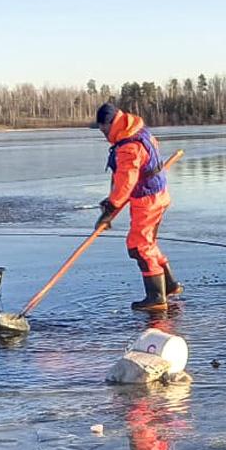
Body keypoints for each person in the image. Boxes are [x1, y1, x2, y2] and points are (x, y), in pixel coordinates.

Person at [95, 103, 183, 312]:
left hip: (147, 201)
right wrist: (112, 203)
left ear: (111, 123)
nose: (102, 133)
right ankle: (169, 285)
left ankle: (156, 297)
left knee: (138, 246)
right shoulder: (138, 131)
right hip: (158, 196)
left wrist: (111, 207)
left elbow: (126, 181)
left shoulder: (129, 146)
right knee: (148, 242)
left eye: (102, 128)